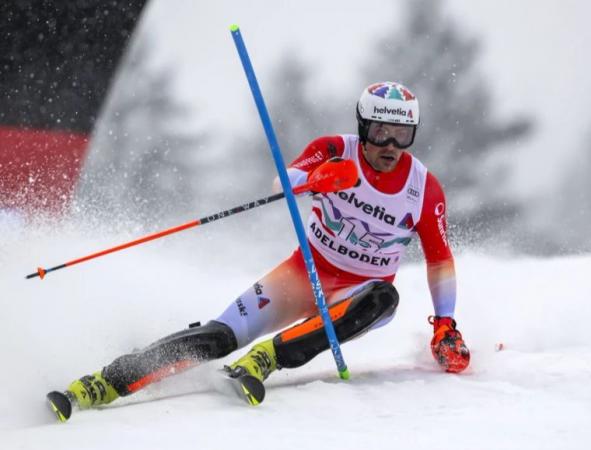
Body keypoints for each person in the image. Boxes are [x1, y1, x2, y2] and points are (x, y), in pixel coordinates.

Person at [53, 81, 470, 415]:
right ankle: (103, 382)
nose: (390, 146)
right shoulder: (335, 150)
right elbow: (282, 184)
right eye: (381, 133)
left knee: (385, 298)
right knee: (218, 337)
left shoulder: (423, 188)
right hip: (304, 274)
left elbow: (439, 259)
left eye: (402, 135)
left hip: (356, 296)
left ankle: (266, 359)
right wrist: (318, 178)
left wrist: (445, 326)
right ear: (364, 127)